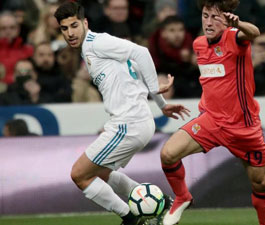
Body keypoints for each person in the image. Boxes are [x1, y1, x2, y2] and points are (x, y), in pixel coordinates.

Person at [54, 2, 189, 225]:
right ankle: (160, 203)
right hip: (135, 122)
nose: (70, 33)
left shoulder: (96, 42)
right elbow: (132, 73)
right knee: (101, 173)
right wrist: (161, 103)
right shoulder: (90, 50)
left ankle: (131, 219)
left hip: (129, 123)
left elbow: (142, 52)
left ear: (85, 23)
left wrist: (155, 90)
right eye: (64, 28)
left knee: (80, 174)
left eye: (74, 25)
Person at [160, 1, 265, 225]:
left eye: (215, 17)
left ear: (226, 19)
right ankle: (183, 196)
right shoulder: (199, 44)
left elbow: (254, 33)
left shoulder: (235, 37)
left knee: (259, 182)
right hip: (211, 121)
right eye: (205, 16)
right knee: (168, 155)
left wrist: (238, 24)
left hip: (243, 127)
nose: (208, 22)